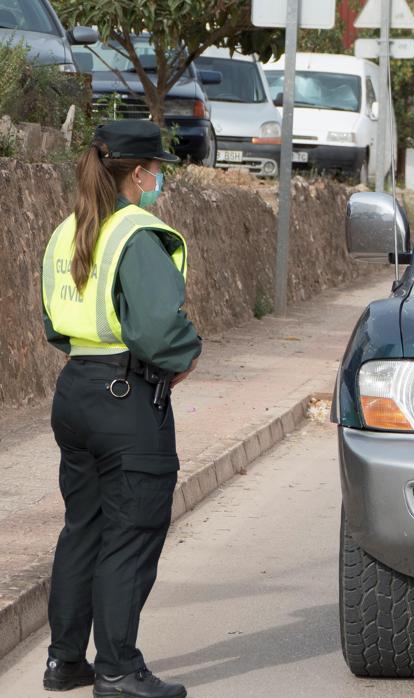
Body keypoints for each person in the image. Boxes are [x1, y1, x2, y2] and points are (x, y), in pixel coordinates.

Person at [40, 120, 200, 697]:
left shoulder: (67, 230)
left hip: (76, 390)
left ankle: (64, 662)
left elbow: (54, 323)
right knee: (131, 535)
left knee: (83, 529)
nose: (159, 180)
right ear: (138, 173)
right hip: (126, 399)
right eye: (157, 170)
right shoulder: (134, 232)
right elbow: (159, 327)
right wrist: (186, 354)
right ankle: (117, 669)